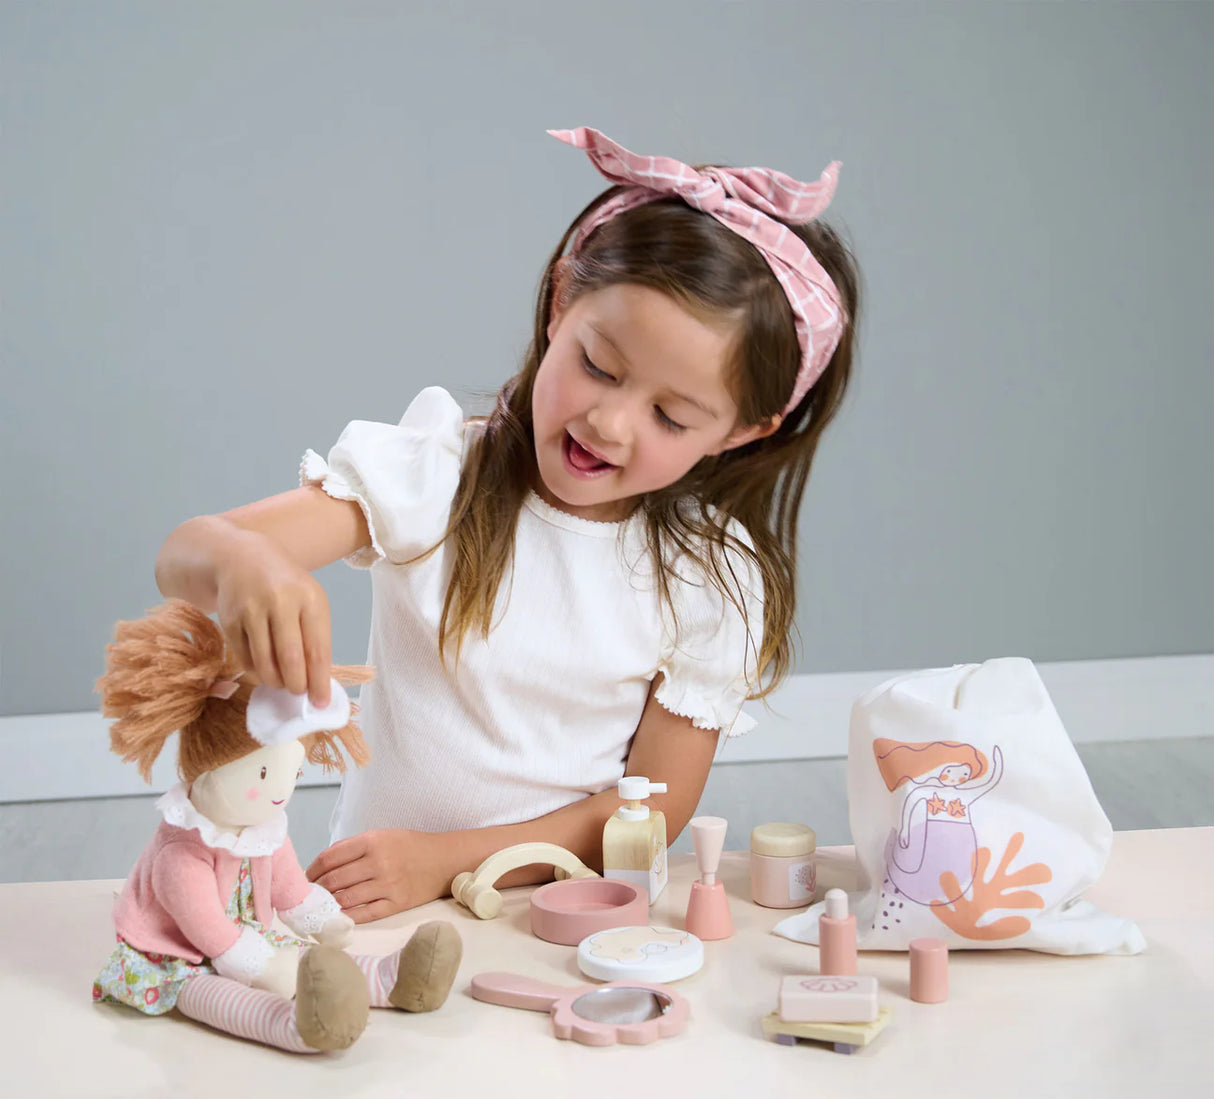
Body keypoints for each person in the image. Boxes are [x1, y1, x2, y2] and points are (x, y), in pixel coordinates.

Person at [155, 127, 861, 922]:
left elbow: (650, 815)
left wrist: (442, 862)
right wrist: (248, 561)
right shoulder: (439, 477)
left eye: (669, 414)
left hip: (549, 909)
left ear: (742, 431)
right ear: (562, 303)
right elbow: (185, 554)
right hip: (372, 903)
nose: (610, 422)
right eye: (600, 365)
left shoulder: (709, 577)